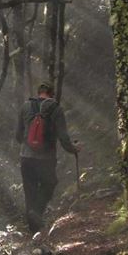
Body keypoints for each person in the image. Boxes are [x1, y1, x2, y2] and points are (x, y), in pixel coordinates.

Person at [16, 83, 80, 236]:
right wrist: (73, 149)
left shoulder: (25, 107)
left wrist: (28, 144)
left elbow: (18, 135)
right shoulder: (56, 109)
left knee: (29, 192)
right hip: (46, 158)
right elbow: (63, 137)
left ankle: (33, 231)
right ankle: (37, 213)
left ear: (38, 93)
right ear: (51, 94)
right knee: (49, 184)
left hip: (26, 157)